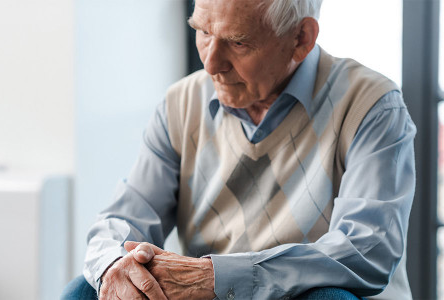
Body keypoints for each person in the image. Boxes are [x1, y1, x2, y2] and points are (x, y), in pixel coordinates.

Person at [62, 0, 416, 299]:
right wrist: (115, 263)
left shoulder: (371, 104)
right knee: (94, 286)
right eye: (203, 32)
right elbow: (122, 219)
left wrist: (215, 277)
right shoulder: (181, 102)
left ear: (300, 39)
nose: (211, 64)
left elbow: (365, 250)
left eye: (238, 42)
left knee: (328, 296)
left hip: (303, 295)